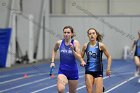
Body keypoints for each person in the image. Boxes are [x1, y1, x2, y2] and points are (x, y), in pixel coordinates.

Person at [50, 26, 86, 93]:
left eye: (68, 32)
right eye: (65, 32)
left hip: (73, 71)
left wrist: (72, 50)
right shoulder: (59, 43)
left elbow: (78, 57)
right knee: (60, 89)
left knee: (72, 92)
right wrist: (52, 61)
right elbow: (54, 50)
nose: (66, 34)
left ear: (72, 34)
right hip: (62, 71)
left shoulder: (75, 43)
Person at [81, 28, 112, 93]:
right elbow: (81, 57)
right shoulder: (85, 46)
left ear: (96, 35)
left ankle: (101, 87)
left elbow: (109, 57)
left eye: (93, 33)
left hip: (98, 71)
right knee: (90, 92)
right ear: (88, 36)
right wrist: (82, 61)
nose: (91, 35)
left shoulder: (101, 45)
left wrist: (108, 68)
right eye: (90, 34)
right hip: (88, 70)